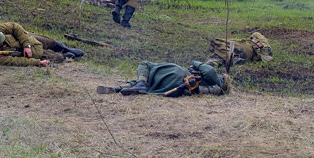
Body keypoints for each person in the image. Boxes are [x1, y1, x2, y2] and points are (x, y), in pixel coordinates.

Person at [97, 61, 229, 97]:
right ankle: (118, 88)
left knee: (146, 65)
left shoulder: (213, 74)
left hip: (178, 74)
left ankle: (140, 83)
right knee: (152, 83)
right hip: (177, 88)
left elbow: (196, 63)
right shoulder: (216, 89)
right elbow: (198, 91)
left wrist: (198, 64)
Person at [0, 23, 84, 66]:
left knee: (49, 41)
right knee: (57, 57)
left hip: (27, 39)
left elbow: (15, 27)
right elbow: (16, 61)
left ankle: (66, 48)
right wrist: (37, 63)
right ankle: (66, 56)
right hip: (27, 54)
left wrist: (26, 45)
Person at [207, 32, 273, 69]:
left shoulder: (264, 52)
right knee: (221, 51)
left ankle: (229, 58)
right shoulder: (262, 43)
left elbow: (266, 59)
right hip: (242, 48)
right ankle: (229, 58)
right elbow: (256, 34)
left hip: (243, 49)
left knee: (218, 45)